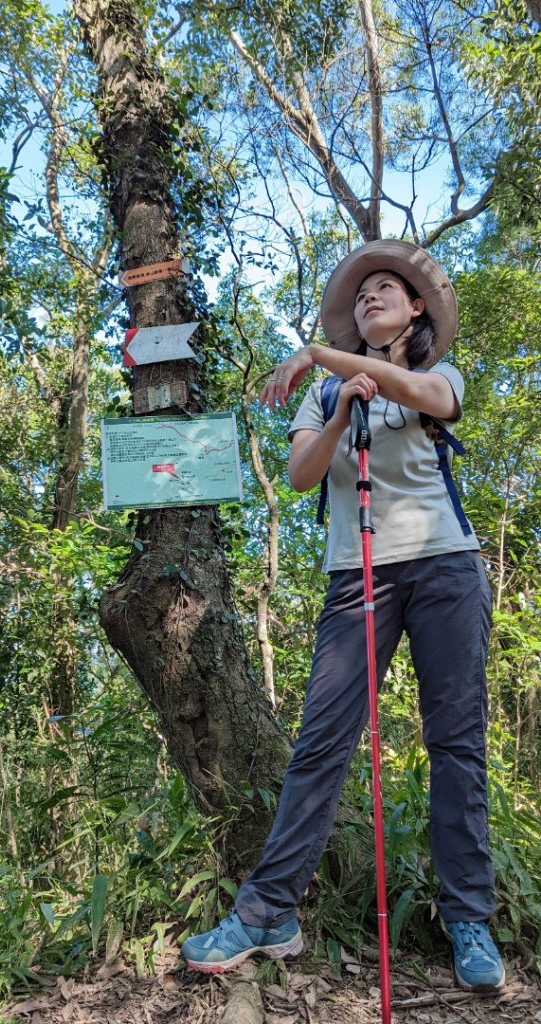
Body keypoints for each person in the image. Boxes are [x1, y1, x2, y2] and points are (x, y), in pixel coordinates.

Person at [180, 240, 505, 992]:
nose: (370, 298)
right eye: (360, 293)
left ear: (415, 307)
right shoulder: (323, 392)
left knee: (455, 742)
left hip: (444, 566)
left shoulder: (433, 372)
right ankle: (268, 911)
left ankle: (468, 920)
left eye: (385, 288)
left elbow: (433, 403)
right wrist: (340, 403)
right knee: (320, 741)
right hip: (356, 575)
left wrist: (319, 355)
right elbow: (301, 476)